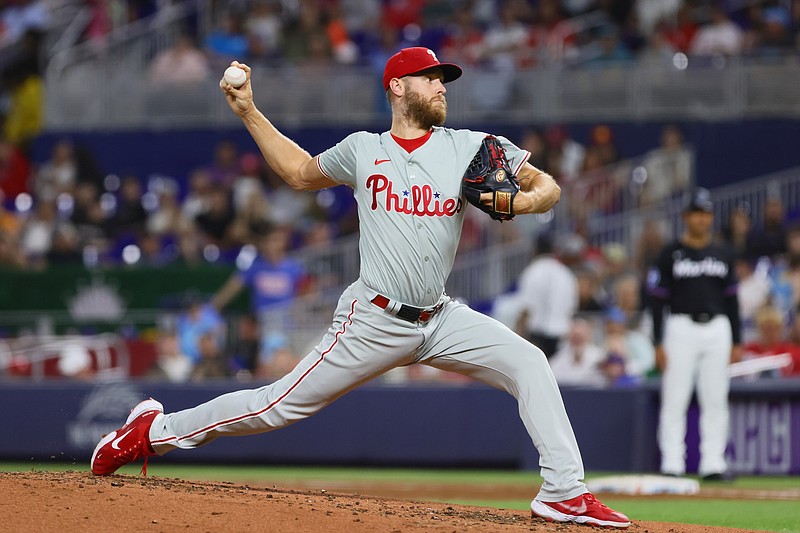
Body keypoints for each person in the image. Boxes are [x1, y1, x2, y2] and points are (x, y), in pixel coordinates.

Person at [90, 47, 630, 529]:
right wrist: (249, 112)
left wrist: (528, 200)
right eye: (429, 78)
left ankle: (564, 492)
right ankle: (150, 433)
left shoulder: (470, 146)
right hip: (373, 319)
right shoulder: (364, 150)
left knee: (529, 362)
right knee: (273, 406)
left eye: (444, 79)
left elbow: (548, 184)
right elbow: (301, 173)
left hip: (439, 318)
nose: (441, 86)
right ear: (397, 87)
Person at [647, 187, 742, 482]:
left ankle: (713, 463)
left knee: (715, 399)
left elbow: (732, 300)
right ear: (686, 217)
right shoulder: (670, 254)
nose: (702, 219)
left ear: (711, 218)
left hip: (717, 327)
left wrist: (737, 340)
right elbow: (656, 301)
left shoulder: (724, 252)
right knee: (675, 397)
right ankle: (672, 463)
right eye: (697, 214)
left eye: (706, 214)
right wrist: (658, 341)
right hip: (680, 327)